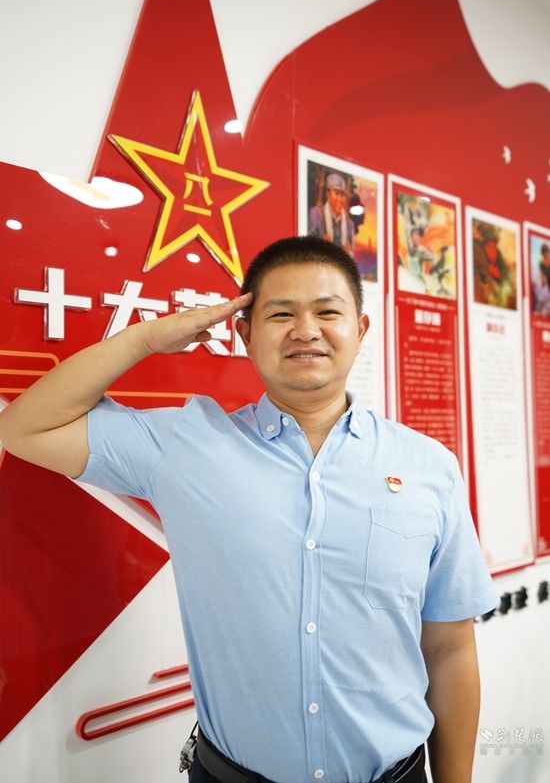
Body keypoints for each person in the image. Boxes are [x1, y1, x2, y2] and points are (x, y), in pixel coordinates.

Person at [0, 236, 497, 783]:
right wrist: (144, 339)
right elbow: (24, 429)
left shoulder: (428, 466)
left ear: (360, 330)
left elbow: (449, 649)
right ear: (245, 334)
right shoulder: (187, 444)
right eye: (281, 314)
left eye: (327, 312)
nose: (305, 330)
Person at [308, 173, 356, 255]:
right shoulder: (316, 214)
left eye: (342, 195)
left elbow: (353, 257)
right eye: (336, 193)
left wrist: (349, 254)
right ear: (328, 194)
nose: (340, 199)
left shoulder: (350, 225)